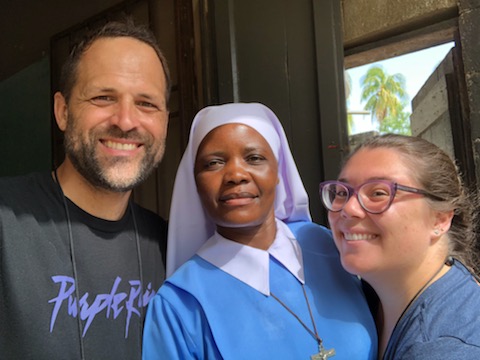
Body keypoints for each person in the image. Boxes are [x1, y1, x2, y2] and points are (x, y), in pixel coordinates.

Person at [142, 102, 377, 359]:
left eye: (254, 158)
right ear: (195, 181)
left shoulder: (331, 245)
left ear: (279, 171)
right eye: (213, 163)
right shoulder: (180, 305)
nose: (235, 174)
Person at [0, 20, 170, 360]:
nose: (125, 121)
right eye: (103, 97)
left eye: (146, 104)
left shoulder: (170, 245)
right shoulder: (6, 220)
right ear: (62, 111)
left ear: (165, 119)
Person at [319, 133, 480, 359]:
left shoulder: (444, 347)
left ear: (440, 219)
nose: (348, 208)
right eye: (342, 193)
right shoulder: (369, 298)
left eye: (378, 193)